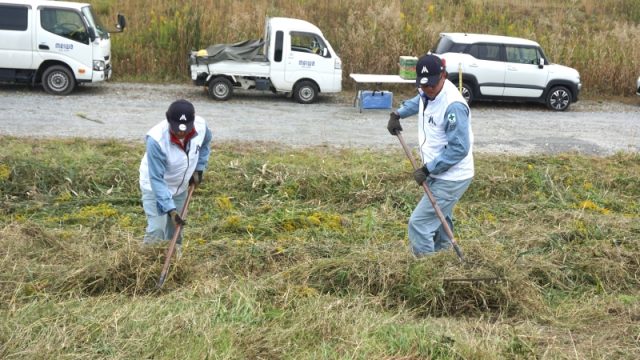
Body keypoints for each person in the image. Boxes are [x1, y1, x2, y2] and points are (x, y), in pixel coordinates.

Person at [387, 54, 474, 257]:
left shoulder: (453, 106)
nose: (428, 89)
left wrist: (428, 169)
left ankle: (428, 272)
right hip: (438, 172)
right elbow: (420, 99)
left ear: (443, 76)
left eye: (432, 85)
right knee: (441, 219)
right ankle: (445, 260)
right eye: (424, 85)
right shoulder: (428, 91)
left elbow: (458, 149)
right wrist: (398, 114)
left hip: (452, 176)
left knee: (419, 224)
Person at [139, 99, 212, 251]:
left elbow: (205, 143)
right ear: (168, 119)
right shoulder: (156, 140)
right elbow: (156, 179)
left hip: (180, 187)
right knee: (157, 230)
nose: (181, 132)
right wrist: (170, 210)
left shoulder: (201, 126)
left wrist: (199, 168)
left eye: (186, 129)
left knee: (176, 230)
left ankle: (175, 264)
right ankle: (145, 265)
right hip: (154, 186)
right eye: (177, 128)